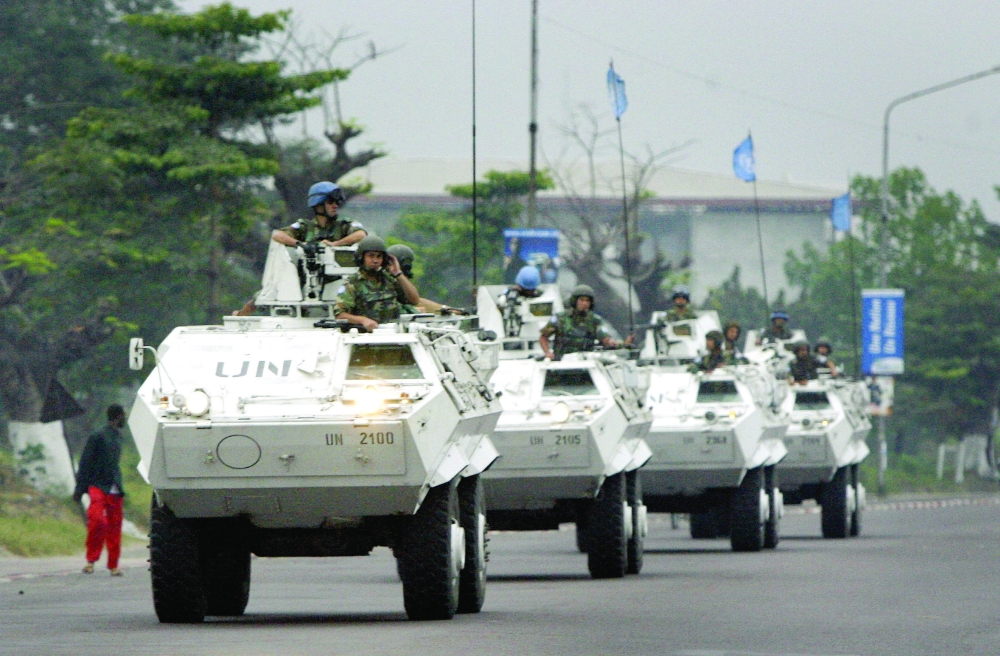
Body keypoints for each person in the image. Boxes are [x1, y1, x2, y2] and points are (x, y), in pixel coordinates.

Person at [74, 404, 127, 576]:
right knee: (97, 521)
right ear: (118, 416)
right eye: (123, 415)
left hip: (115, 487)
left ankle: (113, 565)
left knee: (115, 527)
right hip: (97, 485)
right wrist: (80, 488)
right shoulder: (97, 436)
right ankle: (91, 560)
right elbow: (85, 462)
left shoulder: (118, 437)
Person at [334, 235, 420, 331]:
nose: (375, 260)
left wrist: (398, 273)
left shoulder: (389, 280)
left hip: (393, 333)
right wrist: (362, 320)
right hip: (365, 336)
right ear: (361, 257)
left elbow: (414, 300)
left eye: (379, 256)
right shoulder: (352, 283)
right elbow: (340, 315)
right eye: (371, 256)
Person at [539, 284, 625, 360]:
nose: (584, 303)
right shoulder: (560, 318)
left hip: (586, 362)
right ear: (575, 301)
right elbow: (543, 337)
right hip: (561, 362)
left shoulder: (594, 320)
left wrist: (621, 344)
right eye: (581, 300)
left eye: (587, 301)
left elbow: (605, 339)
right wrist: (547, 352)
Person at [271, 181, 367, 248]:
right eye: (330, 202)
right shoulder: (305, 227)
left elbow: (361, 234)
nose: (335, 206)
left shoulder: (343, 225)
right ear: (318, 205)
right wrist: (301, 245)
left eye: (336, 202)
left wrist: (336, 244)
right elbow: (278, 235)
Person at [387, 243, 463, 315]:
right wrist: (412, 310)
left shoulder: (400, 277)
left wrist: (446, 309)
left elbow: (416, 301)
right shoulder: (384, 279)